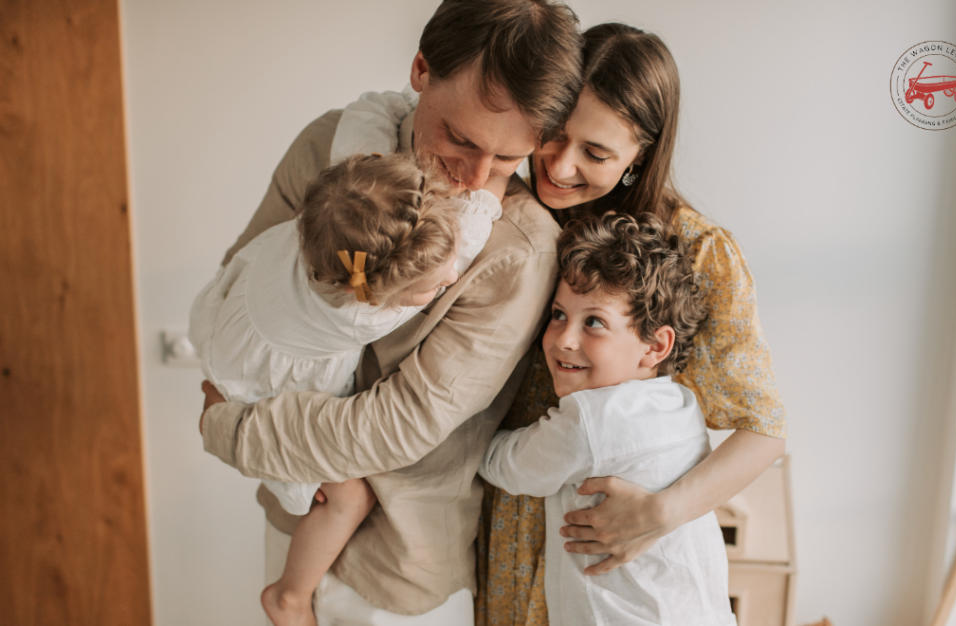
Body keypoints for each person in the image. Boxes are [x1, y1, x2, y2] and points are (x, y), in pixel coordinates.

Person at [198, 1, 583, 624]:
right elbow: (245, 278)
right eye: (459, 138)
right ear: (421, 69)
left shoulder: (520, 249)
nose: (473, 177)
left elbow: (403, 423)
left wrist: (230, 429)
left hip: (401, 572)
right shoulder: (330, 143)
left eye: (509, 160)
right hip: (292, 512)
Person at [475, 23, 787, 626]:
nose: (560, 166)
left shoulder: (699, 254)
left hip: (618, 551)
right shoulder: (507, 214)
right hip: (511, 530)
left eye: (594, 152)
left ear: (639, 154)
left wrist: (659, 514)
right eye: (554, 136)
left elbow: (764, 432)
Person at [190, 151, 505, 626]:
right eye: (431, 288)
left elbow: (366, 121)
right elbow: (478, 218)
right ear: (377, 293)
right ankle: (290, 596)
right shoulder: (360, 311)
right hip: (253, 383)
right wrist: (500, 168)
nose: (453, 278)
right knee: (348, 496)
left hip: (228, 329)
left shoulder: (338, 210)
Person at [479, 212, 736, 626]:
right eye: (559, 314)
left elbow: (508, 467)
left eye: (593, 322)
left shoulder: (591, 419)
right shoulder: (683, 405)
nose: (564, 338)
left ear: (655, 345)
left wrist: (466, 428)